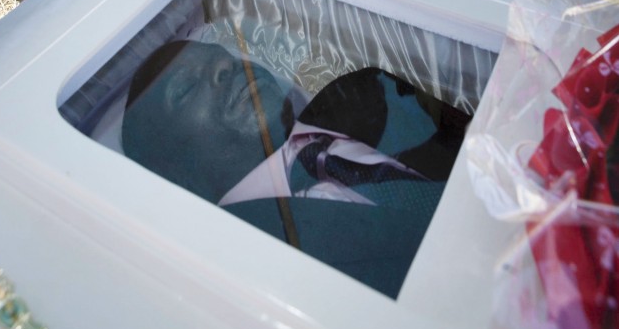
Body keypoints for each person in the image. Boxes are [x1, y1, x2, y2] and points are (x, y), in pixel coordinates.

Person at [121, 39, 470, 297]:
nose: (225, 67)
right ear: (176, 178)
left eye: (225, 55)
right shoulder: (259, 281)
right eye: (185, 89)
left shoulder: (366, 88)